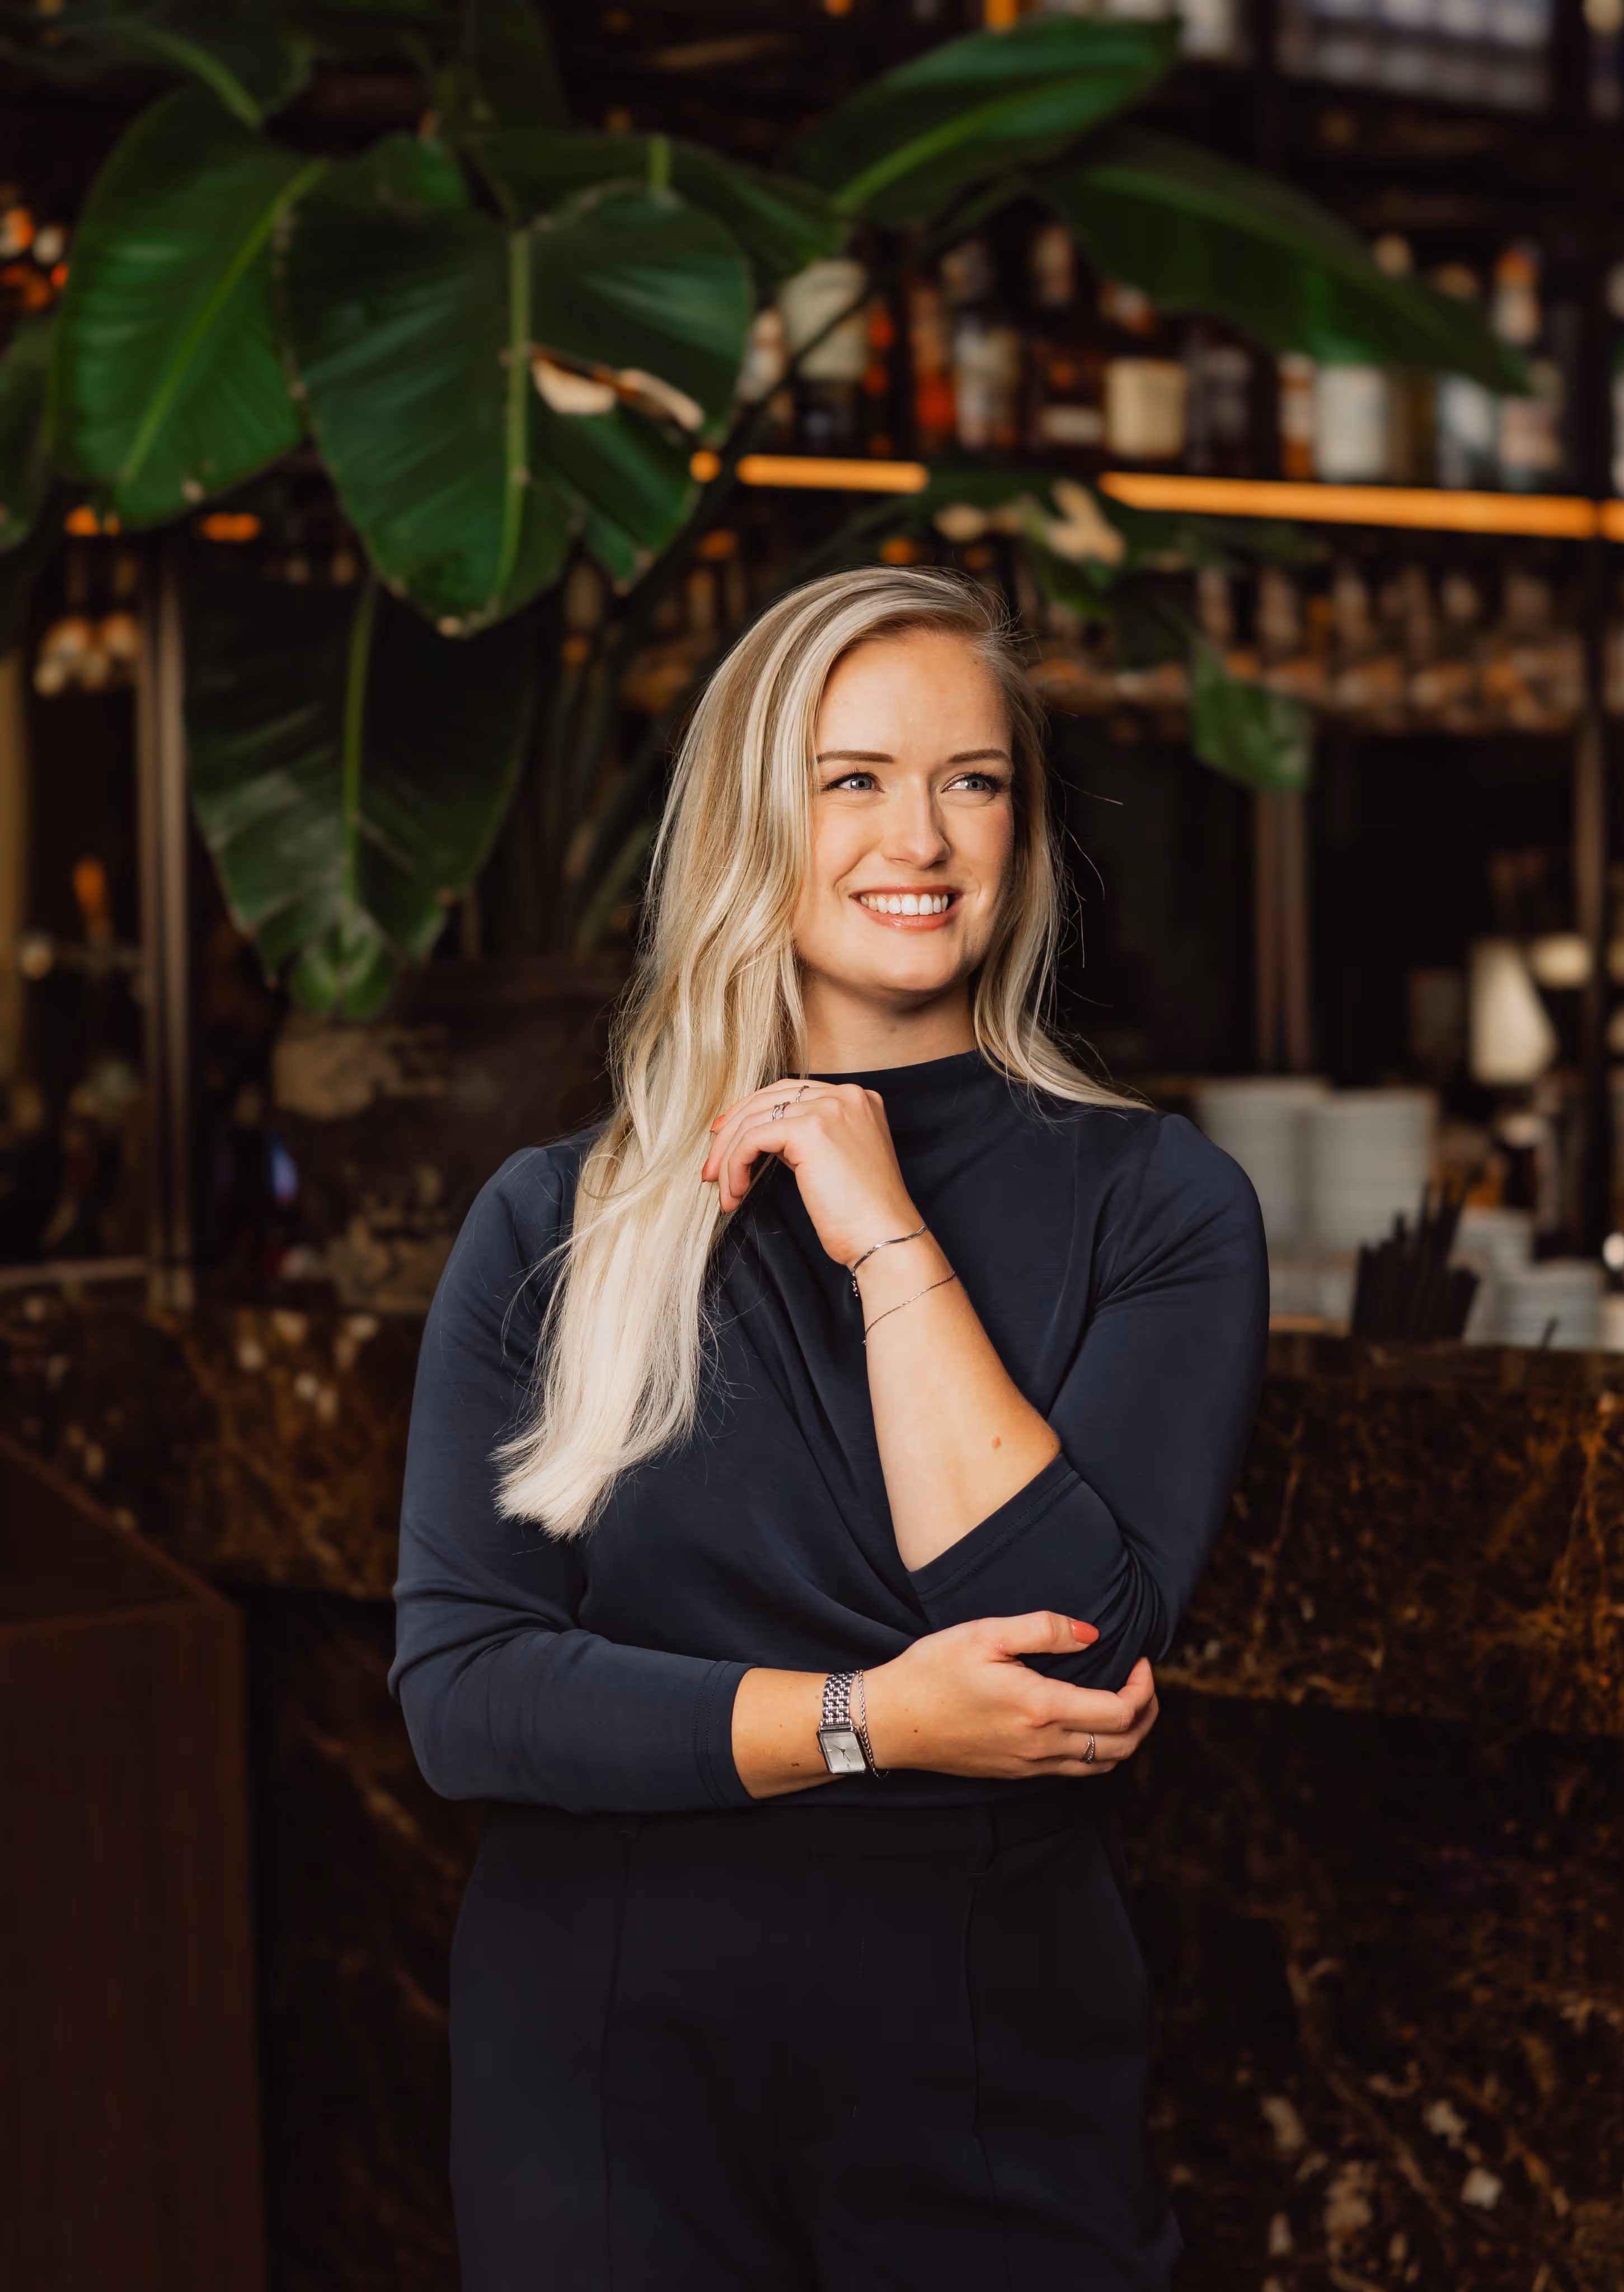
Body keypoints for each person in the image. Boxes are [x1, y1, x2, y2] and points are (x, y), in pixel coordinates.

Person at [389, 563, 1268, 2290]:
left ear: (1023, 830)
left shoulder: (1158, 1204)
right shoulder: (555, 1218)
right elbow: (466, 1692)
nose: (917, 839)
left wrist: (883, 1239)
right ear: (749, 820)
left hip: (984, 2040)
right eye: (850, 779)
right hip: (606, 2049)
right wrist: (871, 1720)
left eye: (971, 781)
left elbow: (1076, 1649)